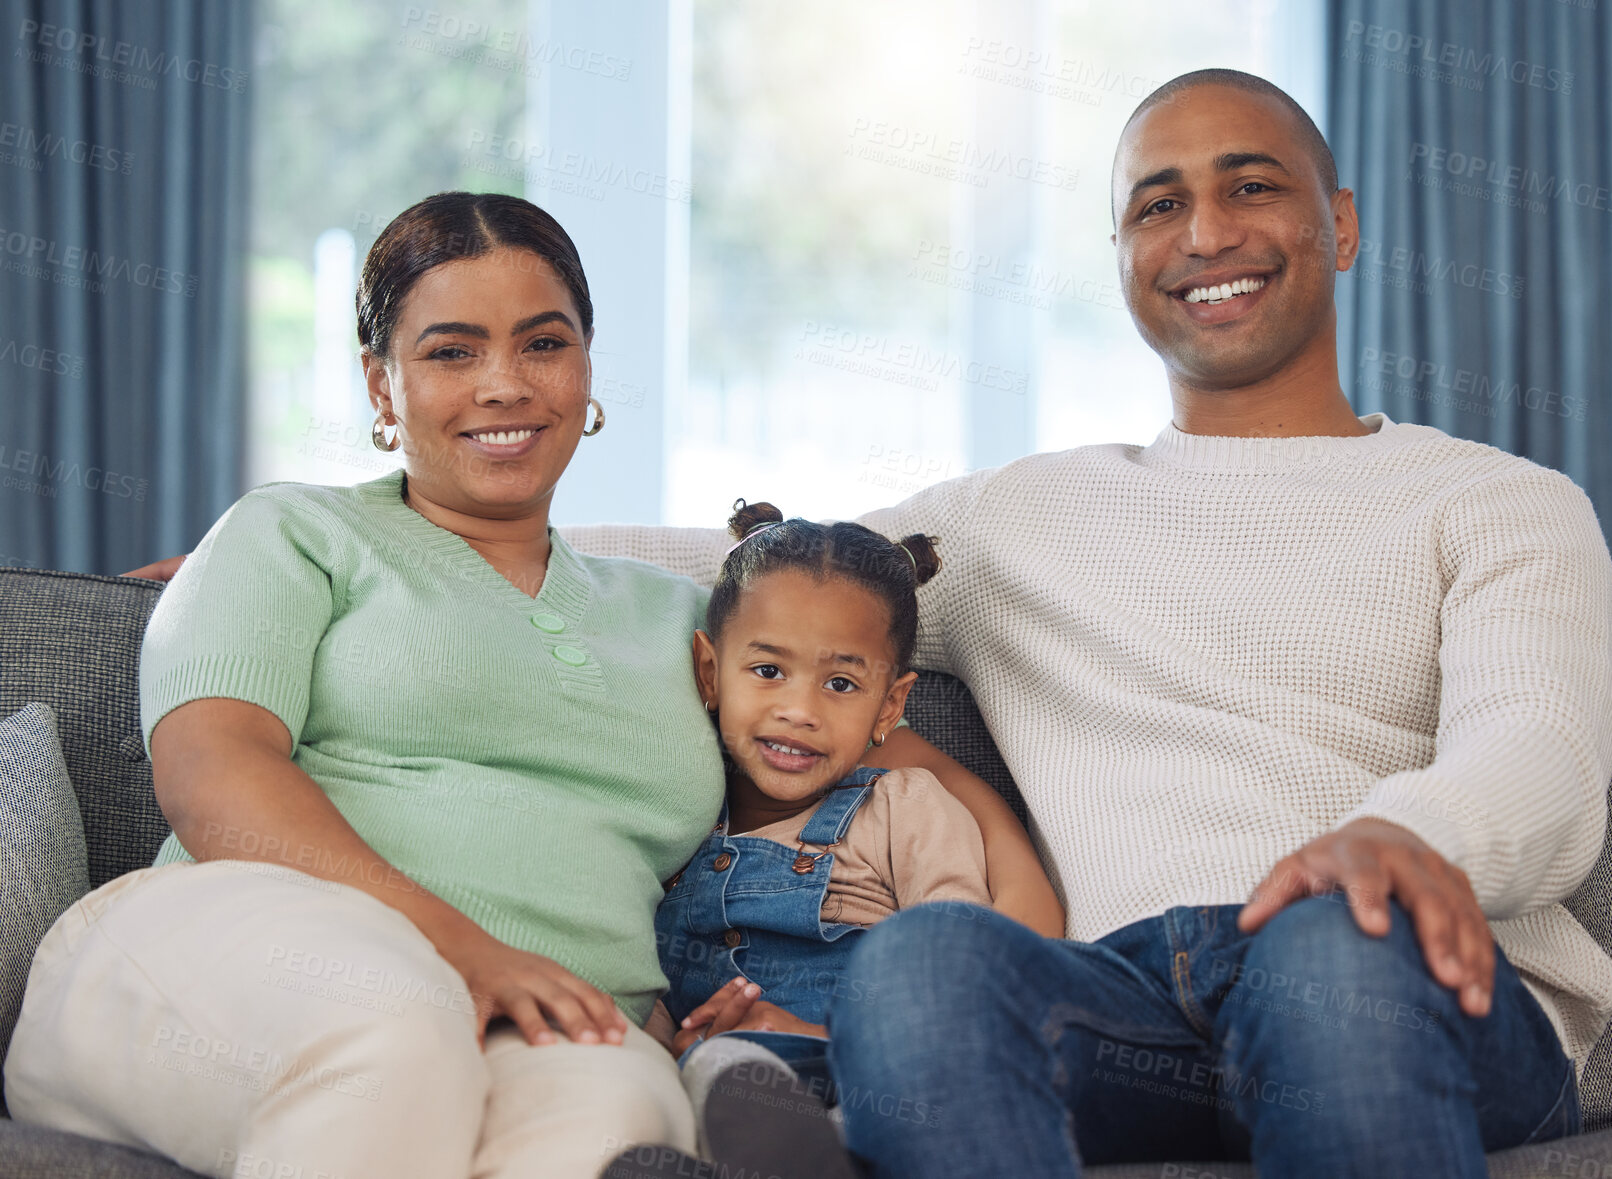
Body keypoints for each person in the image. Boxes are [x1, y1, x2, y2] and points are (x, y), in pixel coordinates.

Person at [564, 70, 1612, 1178]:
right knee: (923, 961)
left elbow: (1540, 743)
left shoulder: (1501, 500)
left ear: (1341, 223)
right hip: (1125, 1005)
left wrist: (1409, 838)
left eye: (1250, 186)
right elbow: (760, 577)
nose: (1207, 232)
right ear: (1122, 257)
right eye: (1158, 206)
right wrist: (433, 526)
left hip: (1405, 992)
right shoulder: (1021, 517)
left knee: (1329, 939)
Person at [4, 192, 1059, 1179]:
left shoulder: (684, 621)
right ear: (382, 384)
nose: (505, 385)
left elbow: (886, 732)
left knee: (609, 1121)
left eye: (542, 344)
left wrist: (1002, 980)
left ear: (587, 369)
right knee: (395, 1032)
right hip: (230, 951)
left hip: (567, 1018)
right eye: (451, 352)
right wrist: (466, 950)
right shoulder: (292, 535)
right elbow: (209, 770)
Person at [631, 501, 995, 1179]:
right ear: (709, 673)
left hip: (864, 1071)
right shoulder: (675, 824)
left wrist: (820, 1037)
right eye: (767, 671)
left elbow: (954, 980)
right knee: (686, 1094)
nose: (799, 711)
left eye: (839, 683)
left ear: (889, 705)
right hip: (709, 1079)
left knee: (738, 1075)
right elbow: (638, 981)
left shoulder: (902, 807)